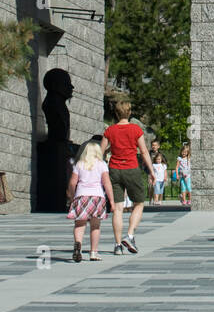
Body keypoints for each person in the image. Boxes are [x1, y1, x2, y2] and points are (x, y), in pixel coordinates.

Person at [102, 101, 156, 254]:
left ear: (116, 113)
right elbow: (144, 151)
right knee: (139, 203)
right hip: (131, 168)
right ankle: (130, 235)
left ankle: (118, 245)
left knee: (117, 208)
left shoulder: (110, 130)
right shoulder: (135, 129)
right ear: (129, 112)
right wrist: (151, 171)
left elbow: (100, 152)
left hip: (114, 170)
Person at [67, 139, 115, 259]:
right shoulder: (102, 164)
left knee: (79, 224)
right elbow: (107, 183)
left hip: (81, 195)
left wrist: (72, 197)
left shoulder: (79, 164)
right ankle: (93, 252)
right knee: (95, 226)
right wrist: (112, 201)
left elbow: (72, 183)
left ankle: (78, 245)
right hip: (97, 197)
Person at [175, 142, 192, 208]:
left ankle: (190, 200)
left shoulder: (189, 158)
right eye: (183, 152)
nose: (184, 153)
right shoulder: (179, 158)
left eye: (185, 152)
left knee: (189, 188)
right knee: (183, 188)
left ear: (187, 153)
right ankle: (184, 200)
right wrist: (177, 174)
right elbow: (177, 167)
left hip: (188, 176)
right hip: (182, 175)